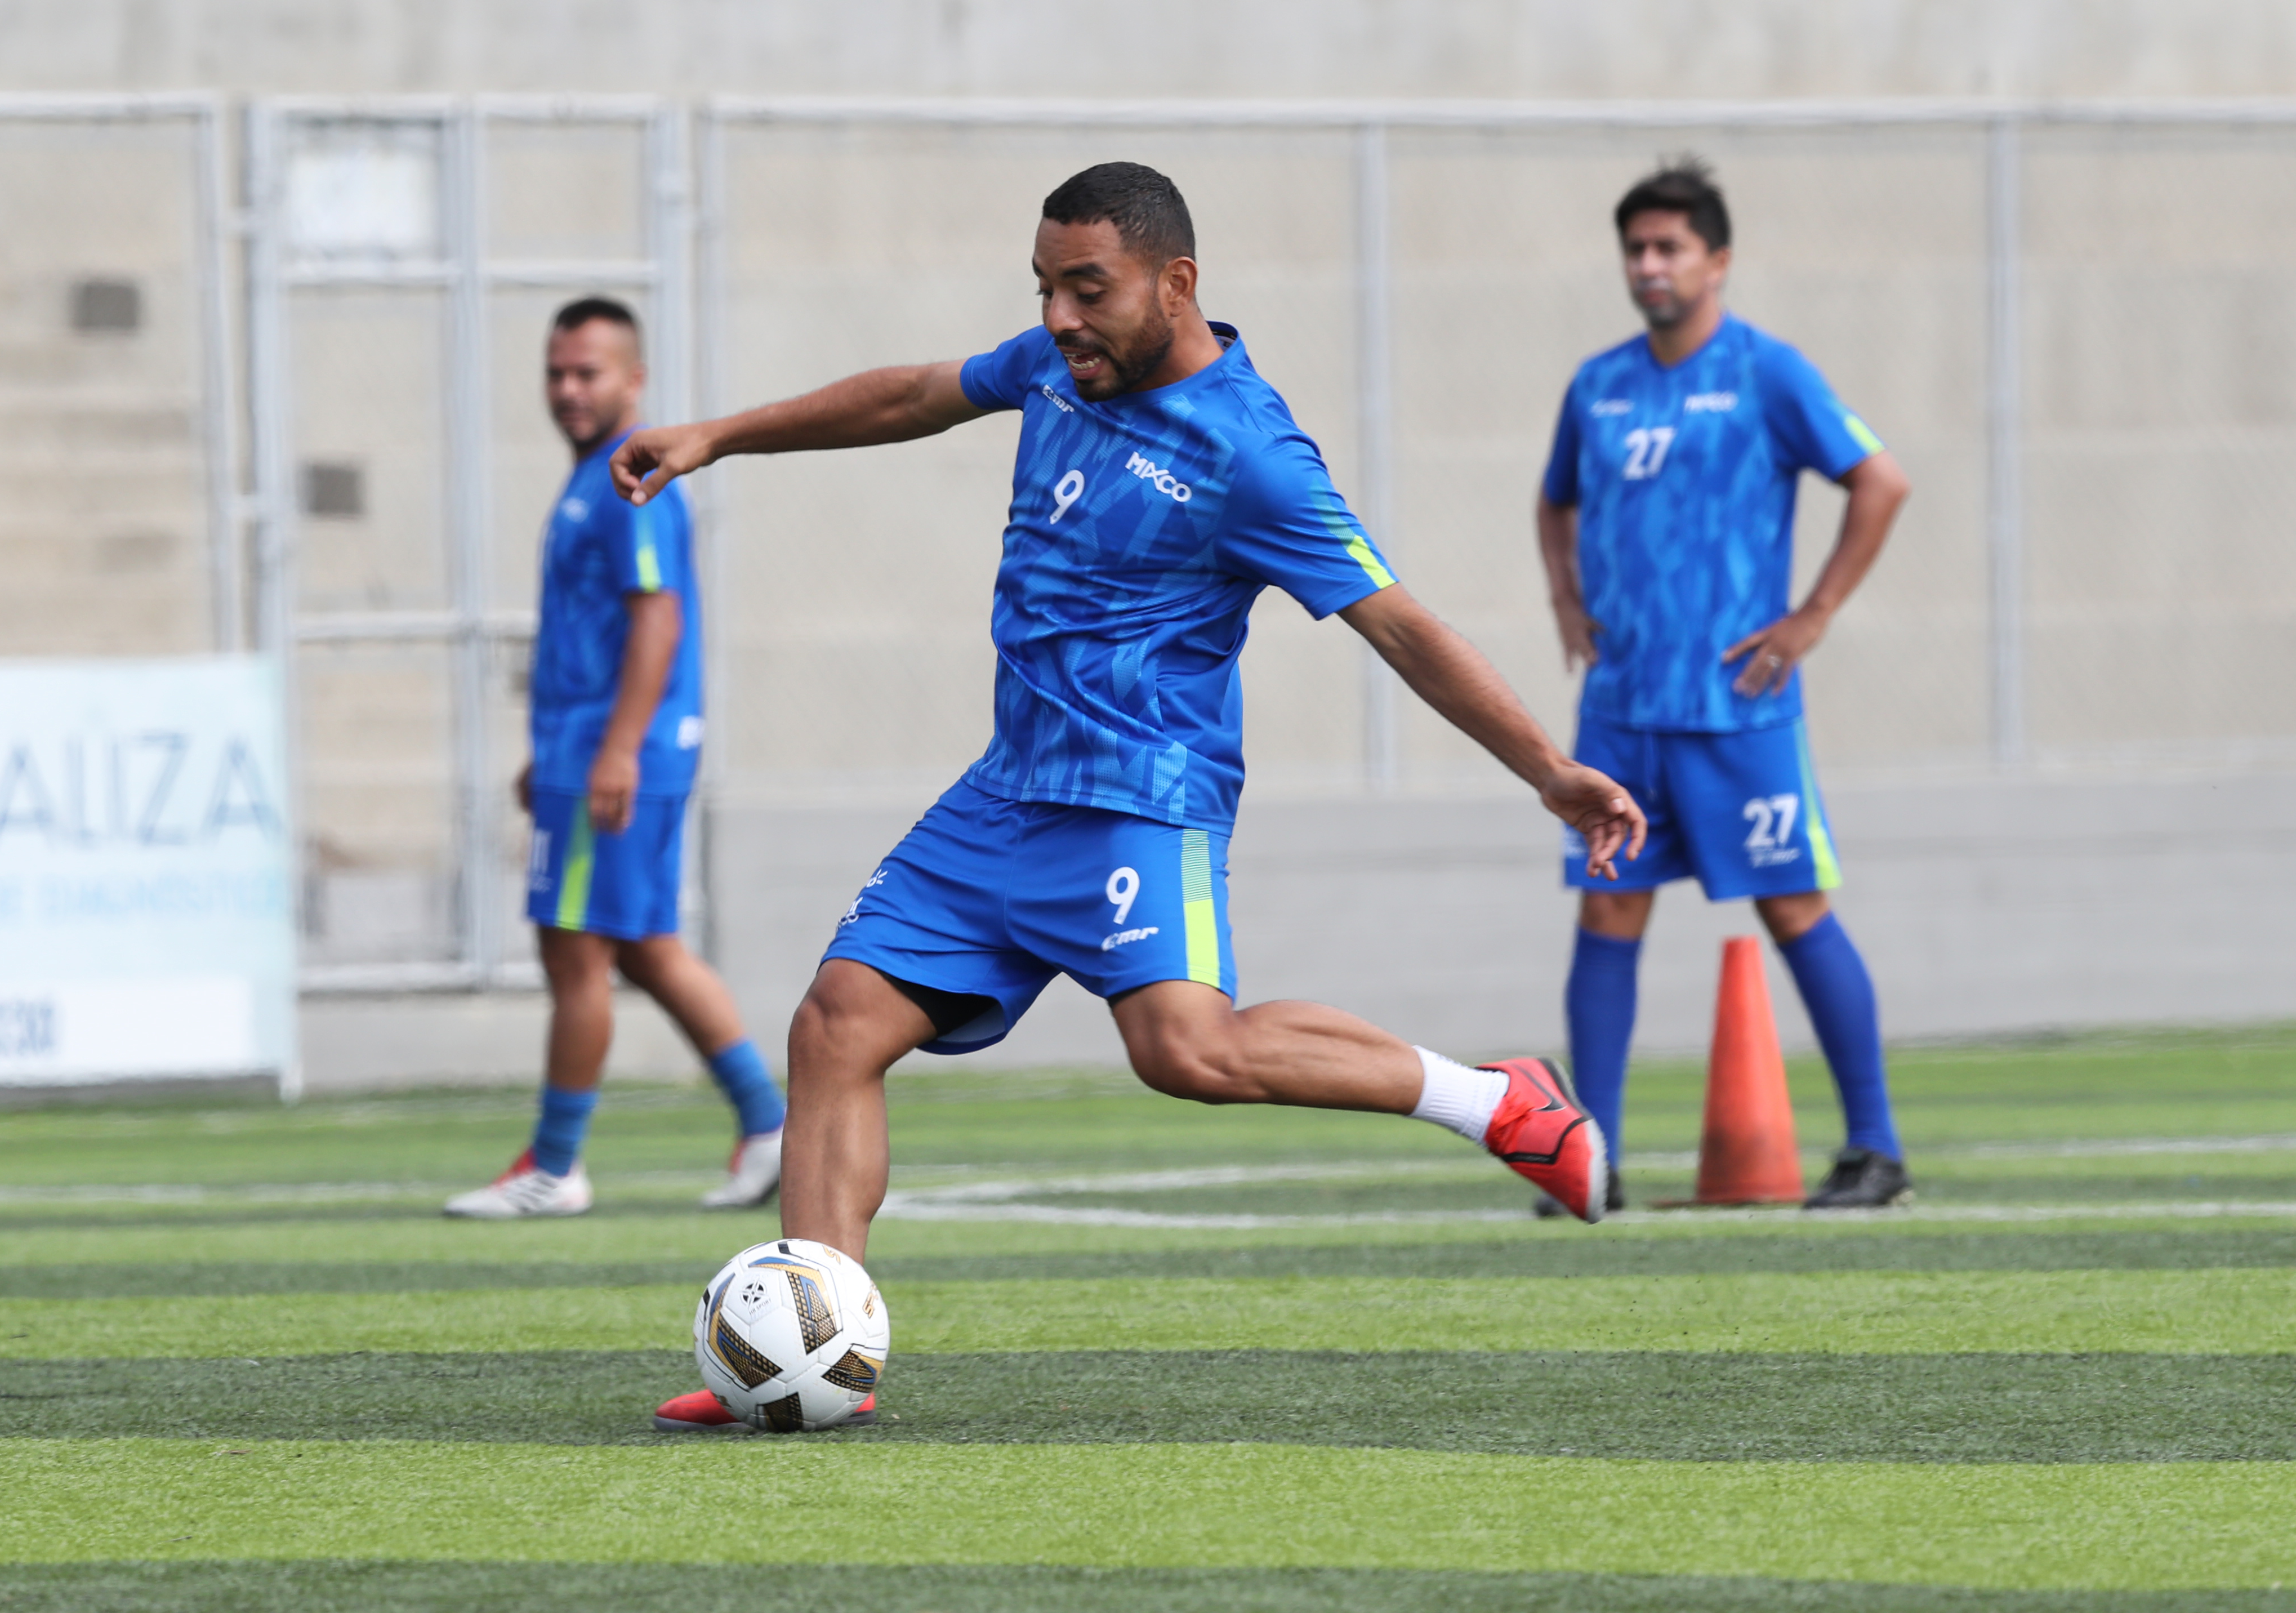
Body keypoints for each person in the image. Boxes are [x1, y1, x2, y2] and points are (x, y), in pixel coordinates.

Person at [612, 162, 1648, 1432]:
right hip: (1006, 790)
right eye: (1043, 288)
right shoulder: (1061, 363)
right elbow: (912, 395)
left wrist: (1547, 770)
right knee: (835, 1023)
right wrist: (719, 435)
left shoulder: (1251, 455)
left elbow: (1398, 625)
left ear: (1177, 283)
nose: (1056, 316)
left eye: (1084, 289)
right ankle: (815, 1354)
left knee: (1185, 1051)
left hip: (1137, 796)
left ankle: (1497, 1100)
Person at [1533, 159, 1914, 1216]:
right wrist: (1566, 600)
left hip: (1736, 708)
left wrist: (1814, 615)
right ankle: (1588, 1159)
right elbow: (1553, 502)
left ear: (1718, 261)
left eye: (1670, 249)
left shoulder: (1768, 373)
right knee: (1608, 912)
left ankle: (1876, 1150)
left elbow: (1881, 481)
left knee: (1795, 908)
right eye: (1637, 250)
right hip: (1619, 714)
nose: (1649, 267)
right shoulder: (1598, 384)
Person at [444, 297, 787, 1219]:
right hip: (587, 745)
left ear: (633, 380)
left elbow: (657, 616)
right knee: (641, 947)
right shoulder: (587, 480)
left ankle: (555, 1168)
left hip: (616, 748)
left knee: (574, 952)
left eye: (587, 372)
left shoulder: (627, 475)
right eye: (556, 372)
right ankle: (768, 1126)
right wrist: (548, 752)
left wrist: (617, 748)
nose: (567, 389)